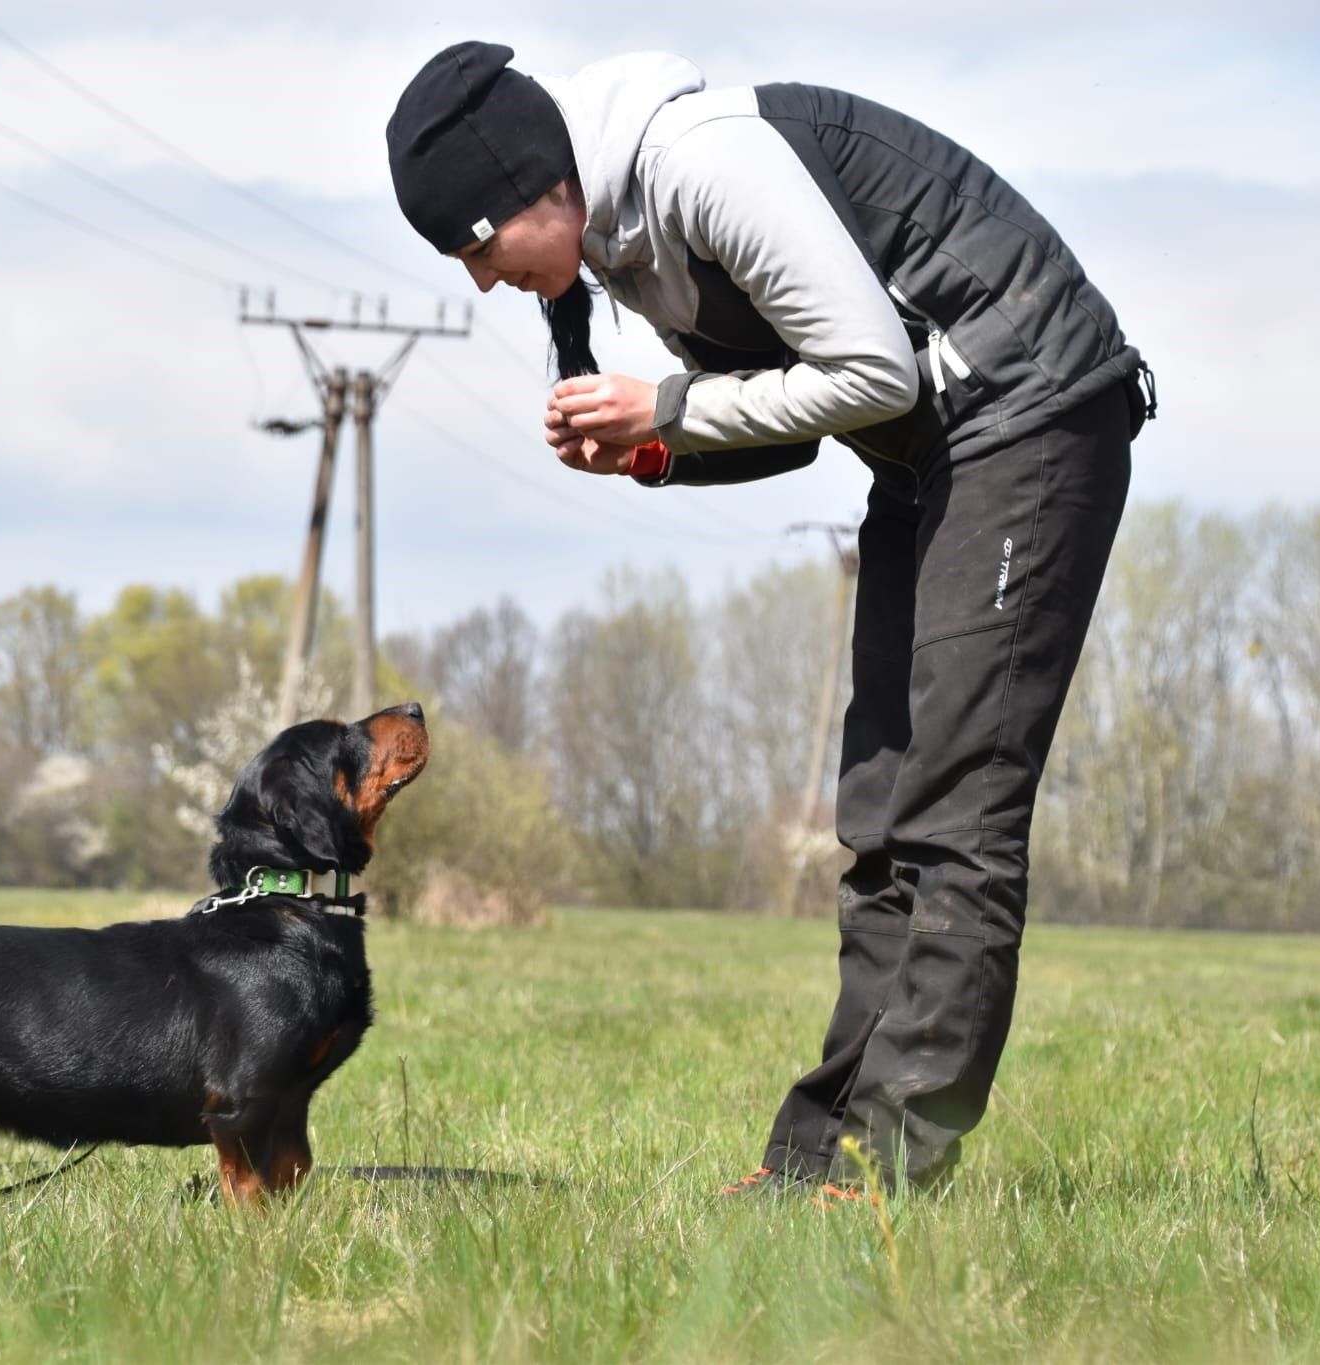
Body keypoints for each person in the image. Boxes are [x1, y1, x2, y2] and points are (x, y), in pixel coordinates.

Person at [385, 43, 1154, 1194]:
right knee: (880, 813)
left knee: (952, 808)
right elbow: (788, 419)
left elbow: (871, 371)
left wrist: (669, 402)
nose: (480, 280)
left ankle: (886, 1172)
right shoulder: (625, 237)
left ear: (537, 188)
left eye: (475, 247)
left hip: (1029, 417)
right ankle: (817, 1165)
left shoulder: (701, 166)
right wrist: (649, 449)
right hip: (930, 456)